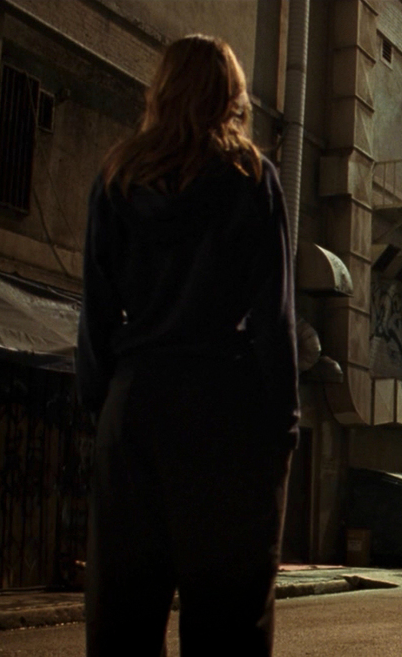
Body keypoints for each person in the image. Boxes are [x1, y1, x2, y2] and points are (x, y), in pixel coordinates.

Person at [76, 34, 299, 656]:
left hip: (135, 407)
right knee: (229, 617)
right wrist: (282, 425)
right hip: (222, 411)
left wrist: (103, 408)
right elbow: (271, 318)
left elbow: (94, 311)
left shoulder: (117, 178)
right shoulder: (252, 179)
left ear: (163, 90)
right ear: (230, 95)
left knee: (123, 615)